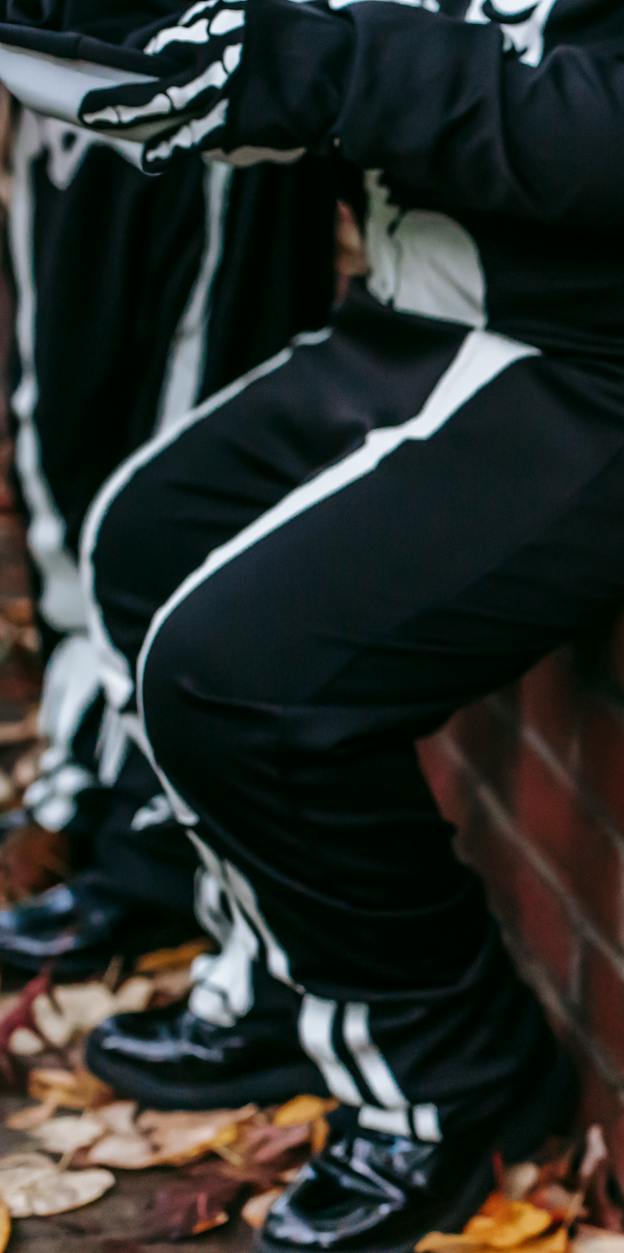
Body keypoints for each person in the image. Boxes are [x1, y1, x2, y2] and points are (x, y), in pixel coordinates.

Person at [0, 0, 624, 1246]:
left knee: (236, 676)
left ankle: (450, 1079)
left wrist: (313, 64)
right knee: (145, 534)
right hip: (417, 319)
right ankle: (290, 986)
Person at [0, 63, 338, 975]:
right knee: (62, 410)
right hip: (65, 59)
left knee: (177, 440)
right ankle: (86, 776)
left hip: (204, 64)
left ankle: (156, 835)